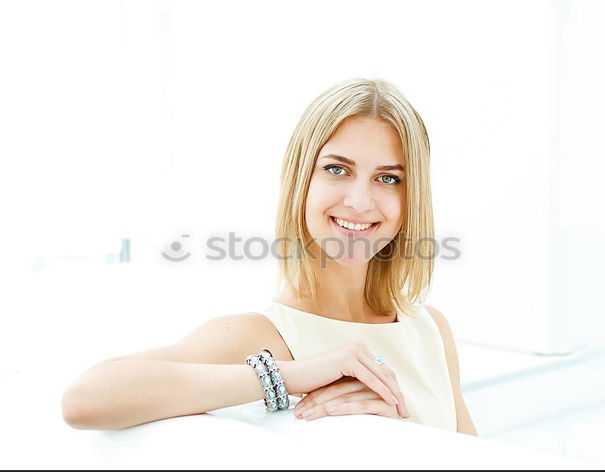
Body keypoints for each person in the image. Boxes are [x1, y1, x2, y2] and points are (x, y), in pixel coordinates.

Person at [61, 78, 478, 437]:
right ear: (302, 178)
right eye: (337, 169)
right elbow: (86, 398)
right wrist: (291, 374)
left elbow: (480, 471)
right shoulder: (259, 336)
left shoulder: (430, 329)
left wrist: (400, 434)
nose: (359, 201)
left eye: (389, 178)